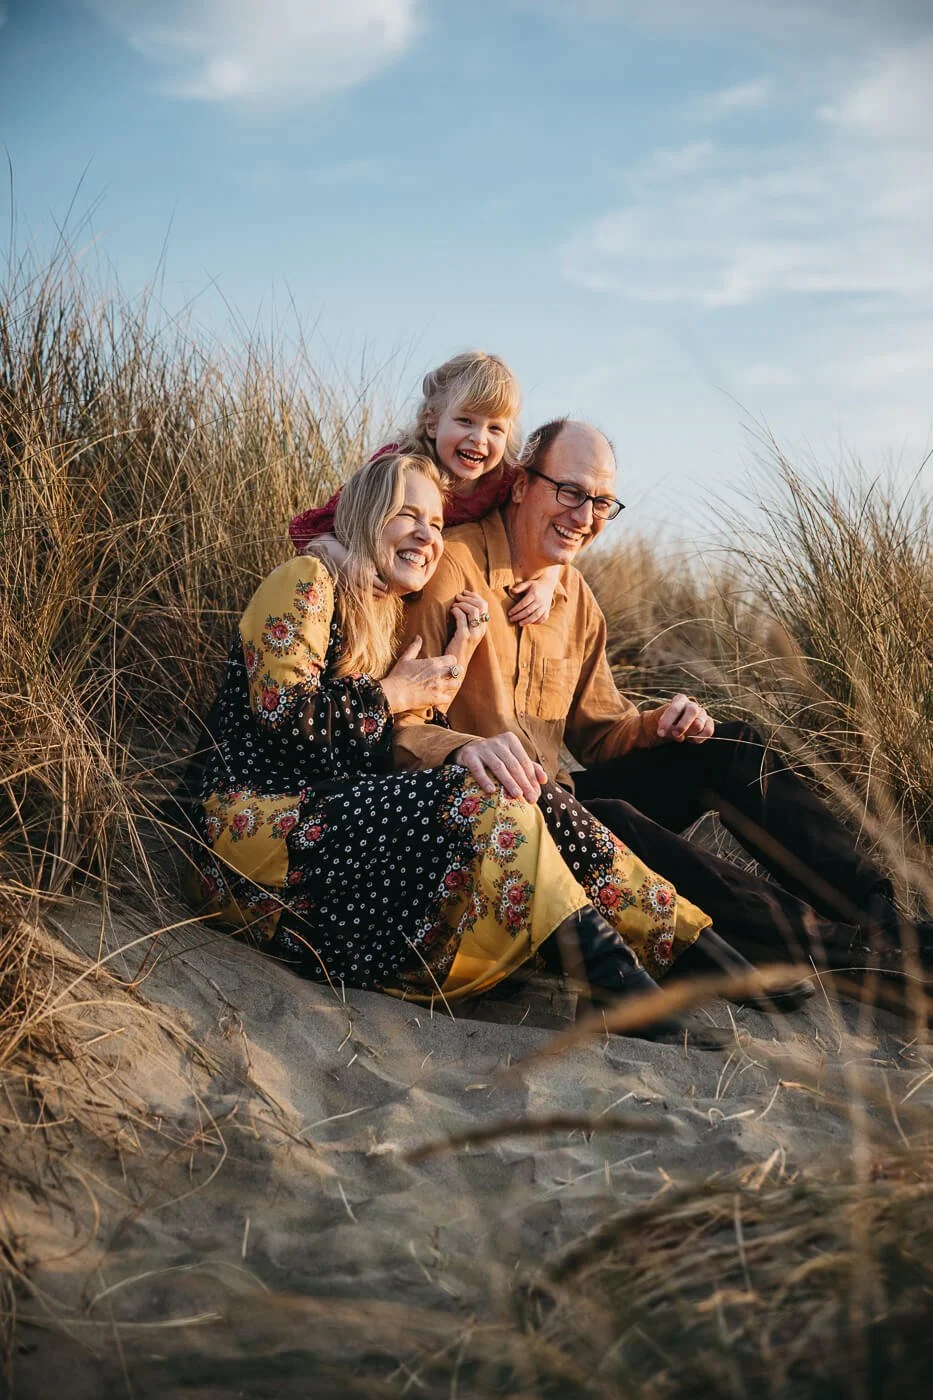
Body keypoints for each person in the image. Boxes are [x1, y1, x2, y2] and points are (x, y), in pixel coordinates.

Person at [185, 450, 719, 1034]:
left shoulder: (387, 612)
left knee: (529, 791)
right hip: (246, 831)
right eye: (405, 515)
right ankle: (621, 981)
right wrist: (389, 694)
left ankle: (687, 950)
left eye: (437, 523)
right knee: (481, 796)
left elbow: (388, 741)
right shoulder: (308, 581)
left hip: (335, 822)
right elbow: (284, 718)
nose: (426, 535)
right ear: (366, 516)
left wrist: (456, 654)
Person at [394, 418, 931, 984]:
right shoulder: (449, 567)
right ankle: (843, 950)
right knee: (612, 821)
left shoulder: (573, 595)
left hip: (565, 795)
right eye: (570, 492)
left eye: (601, 502)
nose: (583, 517)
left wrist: (660, 726)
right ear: (523, 483)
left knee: (729, 744)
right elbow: (401, 724)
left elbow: (600, 734)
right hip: (502, 824)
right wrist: (462, 749)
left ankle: (878, 914)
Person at [289, 350, 562, 626]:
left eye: (495, 428)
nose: (479, 438)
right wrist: (348, 563)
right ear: (432, 422)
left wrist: (548, 580)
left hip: (436, 589)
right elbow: (313, 531)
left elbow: (546, 527)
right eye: (465, 420)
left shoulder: (504, 481)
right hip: (369, 591)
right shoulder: (397, 466)